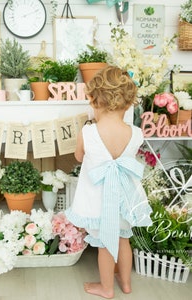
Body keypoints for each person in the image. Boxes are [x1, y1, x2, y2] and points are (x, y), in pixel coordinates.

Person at [65, 66, 152, 299]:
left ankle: (106, 288)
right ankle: (126, 284)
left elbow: (79, 156)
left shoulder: (88, 132)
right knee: (124, 238)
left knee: (105, 243)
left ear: (95, 101)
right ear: (127, 101)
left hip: (98, 200)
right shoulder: (135, 133)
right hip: (126, 198)